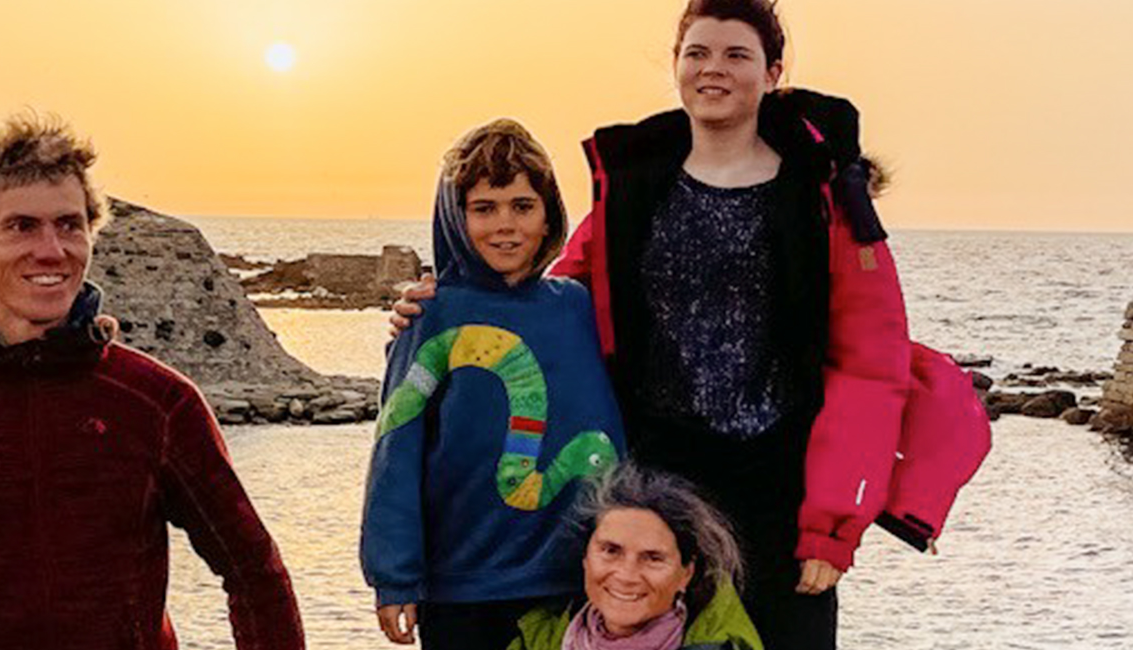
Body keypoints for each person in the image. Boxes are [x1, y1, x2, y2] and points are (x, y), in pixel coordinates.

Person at [391, 1, 912, 646]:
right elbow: (541, 297)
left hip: (779, 486)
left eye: (736, 55)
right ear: (676, 66)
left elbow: (871, 366)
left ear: (772, 73)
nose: (713, 69)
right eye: (697, 53)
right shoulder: (637, 186)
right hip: (652, 480)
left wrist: (833, 525)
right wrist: (443, 309)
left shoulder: (824, 199)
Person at [0, 114, 305, 650]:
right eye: (21, 226)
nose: (52, 249)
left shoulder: (158, 402)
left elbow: (253, 572)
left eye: (69, 225)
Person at [362, 119, 627, 650]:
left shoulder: (577, 306)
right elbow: (396, 450)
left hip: (574, 583)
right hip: (463, 587)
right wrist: (394, 575)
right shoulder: (431, 316)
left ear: (548, 212)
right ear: (456, 219)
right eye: (485, 208)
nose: (506, 225)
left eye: (522, 206)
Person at [506, 463, 762, 650]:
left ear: (686, 573)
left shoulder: (721, 645)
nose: (627, 575)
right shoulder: (537, 640)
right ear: (585, 559)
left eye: (653, 558)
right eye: (610, 550)